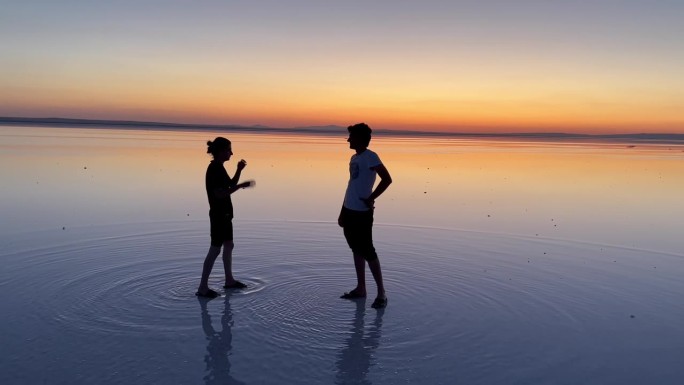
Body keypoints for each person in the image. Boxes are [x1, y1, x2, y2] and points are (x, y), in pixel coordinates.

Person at [338, 123, 392, 309]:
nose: (348, 140)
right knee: (356, 249)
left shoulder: (371, 157)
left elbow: (387, 179)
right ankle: (361, 288)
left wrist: (371, 198)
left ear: (360, 138)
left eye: (351, 136)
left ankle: (381, 294)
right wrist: (342, 210)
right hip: (349, 209)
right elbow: (350, 185)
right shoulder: (354, 158)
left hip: (362, 212)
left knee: (368, 251)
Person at [197, 137, 252, 298]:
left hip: (226, 215)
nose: (232, 153)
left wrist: (239, 170)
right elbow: (219, 194)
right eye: (229, 149)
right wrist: (240, 186)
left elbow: (228, 184)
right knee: (215, 249)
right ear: (221, 151)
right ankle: (202, 288)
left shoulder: (219, 167)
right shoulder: (214, 169)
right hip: (218, 215)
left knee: (229, 244)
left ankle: (229, 280)